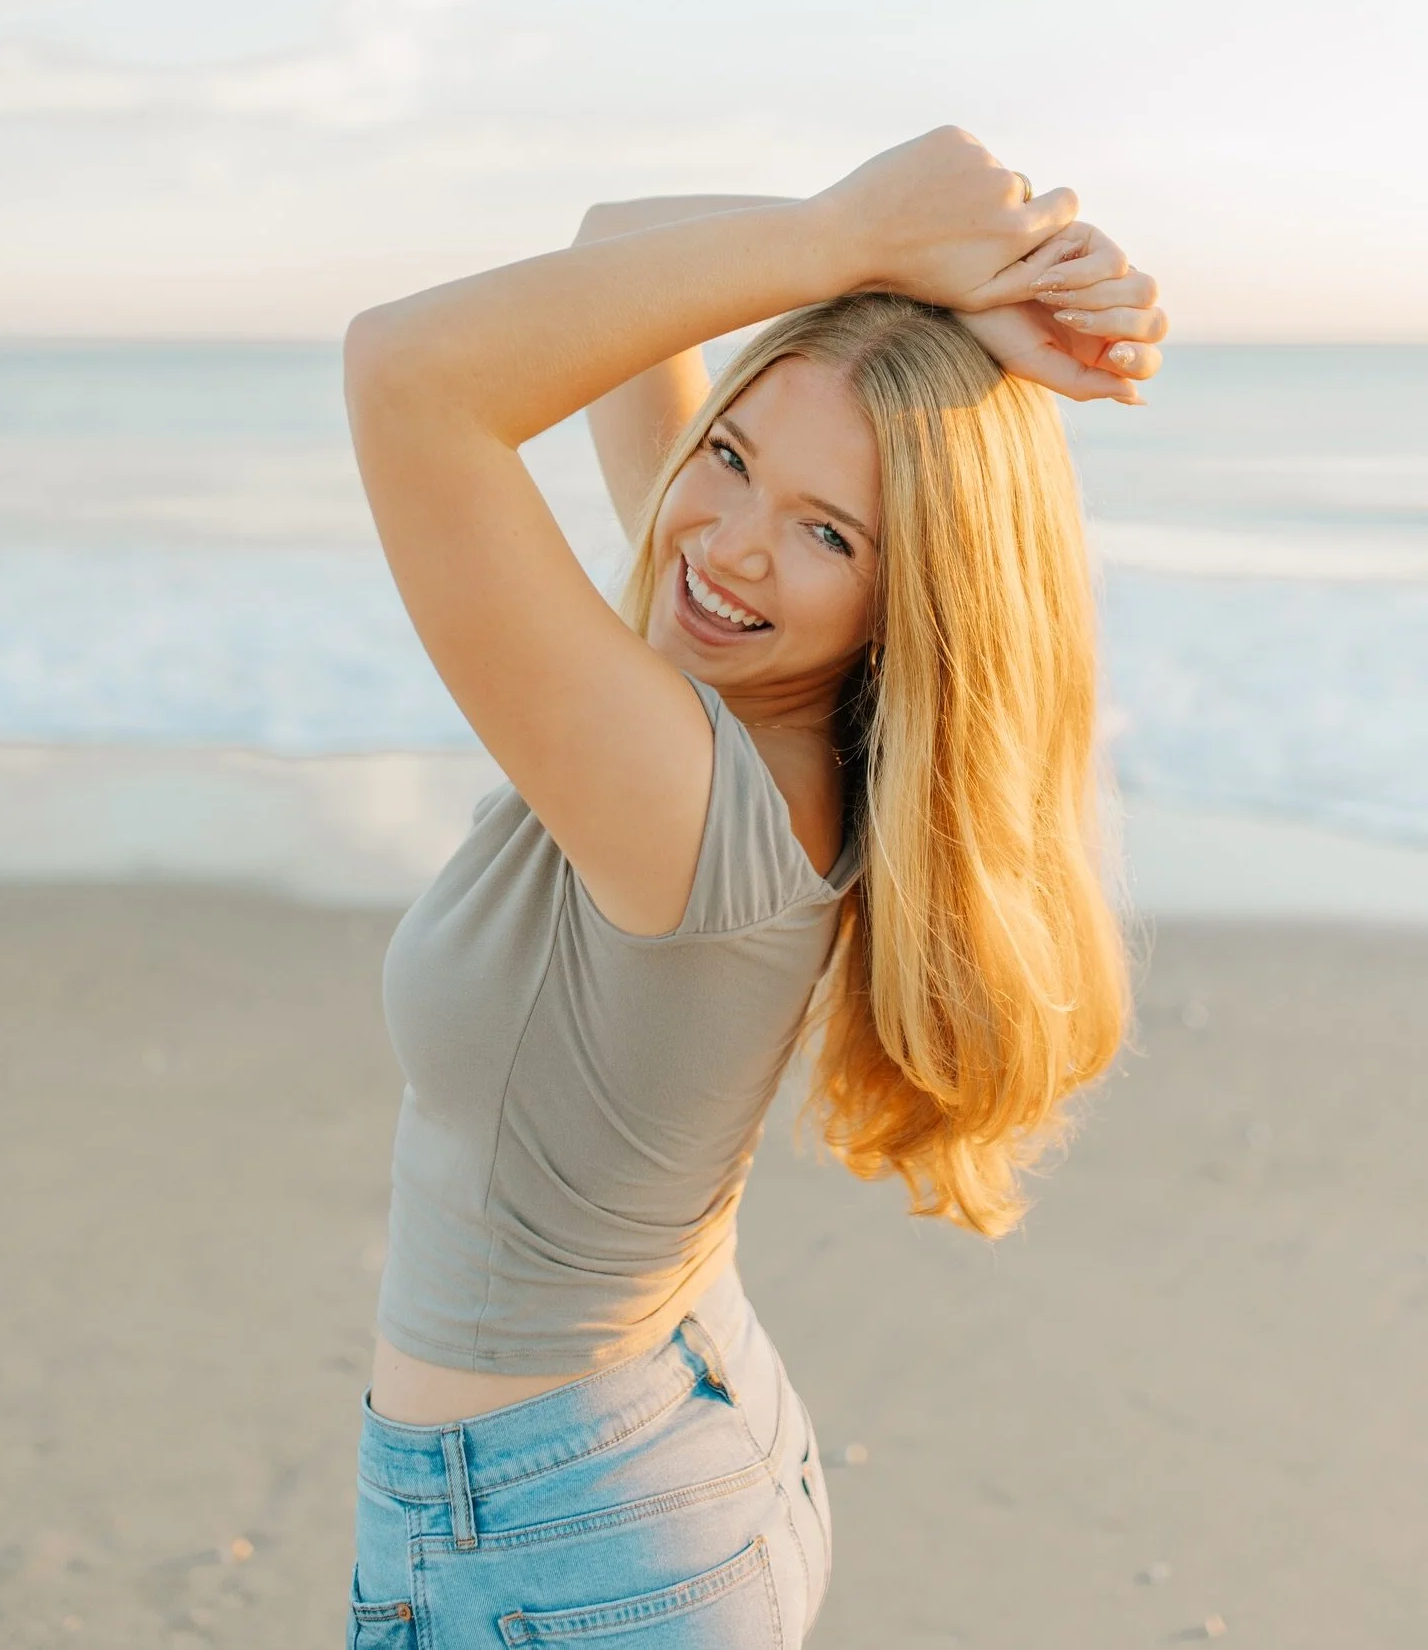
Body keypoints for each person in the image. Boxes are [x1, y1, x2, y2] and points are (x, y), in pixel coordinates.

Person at [340, 126, 1167, 1647]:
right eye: (727, 454)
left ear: (902, 595)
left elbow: (409, 377)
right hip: (676, 1427)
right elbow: (610, 233)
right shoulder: (776, 725)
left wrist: (855, 231)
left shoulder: (679, 790)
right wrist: (896, 262)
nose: (722, 541)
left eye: (826, 531)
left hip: (541, 1540)